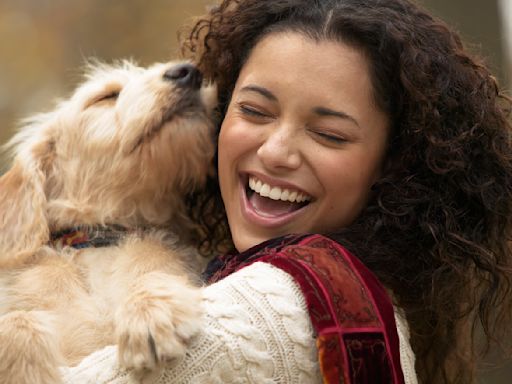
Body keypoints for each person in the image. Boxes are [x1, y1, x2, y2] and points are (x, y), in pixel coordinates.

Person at [63, 0, 512, 383]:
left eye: (329, 134)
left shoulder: (258, 313)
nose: (276, 152)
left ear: (393, 166)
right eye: (255, 110)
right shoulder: (367, 299)